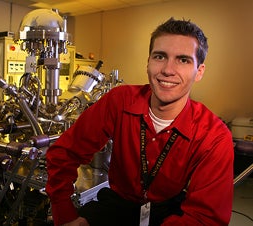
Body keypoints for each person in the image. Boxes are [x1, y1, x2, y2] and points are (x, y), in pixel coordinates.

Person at [45, 17, 234, 226]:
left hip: (170, 213)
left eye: (183, 60)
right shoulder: (120, 101)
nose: (168, 70)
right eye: (160, 56)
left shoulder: (214, 135)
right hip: (117, 205)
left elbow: (205, 218)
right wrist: (65, 214)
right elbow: (64, 153)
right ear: (148, 62)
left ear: (199, 71)